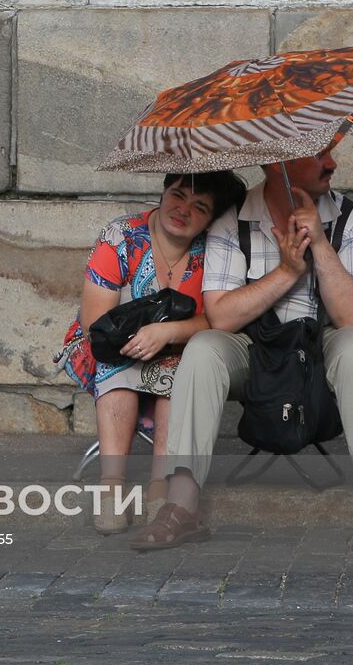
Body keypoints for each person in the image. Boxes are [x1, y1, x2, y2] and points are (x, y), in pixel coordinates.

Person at [134, 149, 353, 550]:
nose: (331, 164)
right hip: (255, 347)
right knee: (203, 349)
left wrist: (320, 245)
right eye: (318, 156)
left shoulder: (351, 218)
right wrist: (286, 272)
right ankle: (181, 506)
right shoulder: (233, 220)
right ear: (276, 165)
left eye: (330, 154)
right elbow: (221, 316)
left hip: (322, 346)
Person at [55, 171, 246, 535]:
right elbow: (97, 325)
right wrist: (141, 339)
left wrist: (169, 332)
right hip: (109, 343)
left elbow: (220, 319)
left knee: (184, 372)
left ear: (211, 218)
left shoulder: (217, 250)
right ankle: (112, 488)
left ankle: (162, 487)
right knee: (119, 369)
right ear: (163, 191)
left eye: (200, 206)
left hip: (180, 347)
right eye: (178, 195)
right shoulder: (121, 237)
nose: (183, 209)